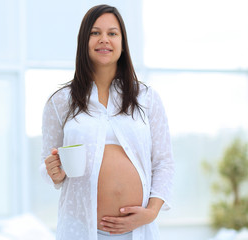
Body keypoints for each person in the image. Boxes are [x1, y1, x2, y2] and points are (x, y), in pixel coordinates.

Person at [41, 4, 174, 240]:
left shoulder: (147, 99)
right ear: (84, 42)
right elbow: (48, 163)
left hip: (138, 231)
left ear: (122, 44)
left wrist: (151, 212)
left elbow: (164, 163)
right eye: (95, 33)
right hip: (80, 228)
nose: (104, 39)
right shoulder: (60, 102)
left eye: (112, 33)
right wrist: (54, 172)